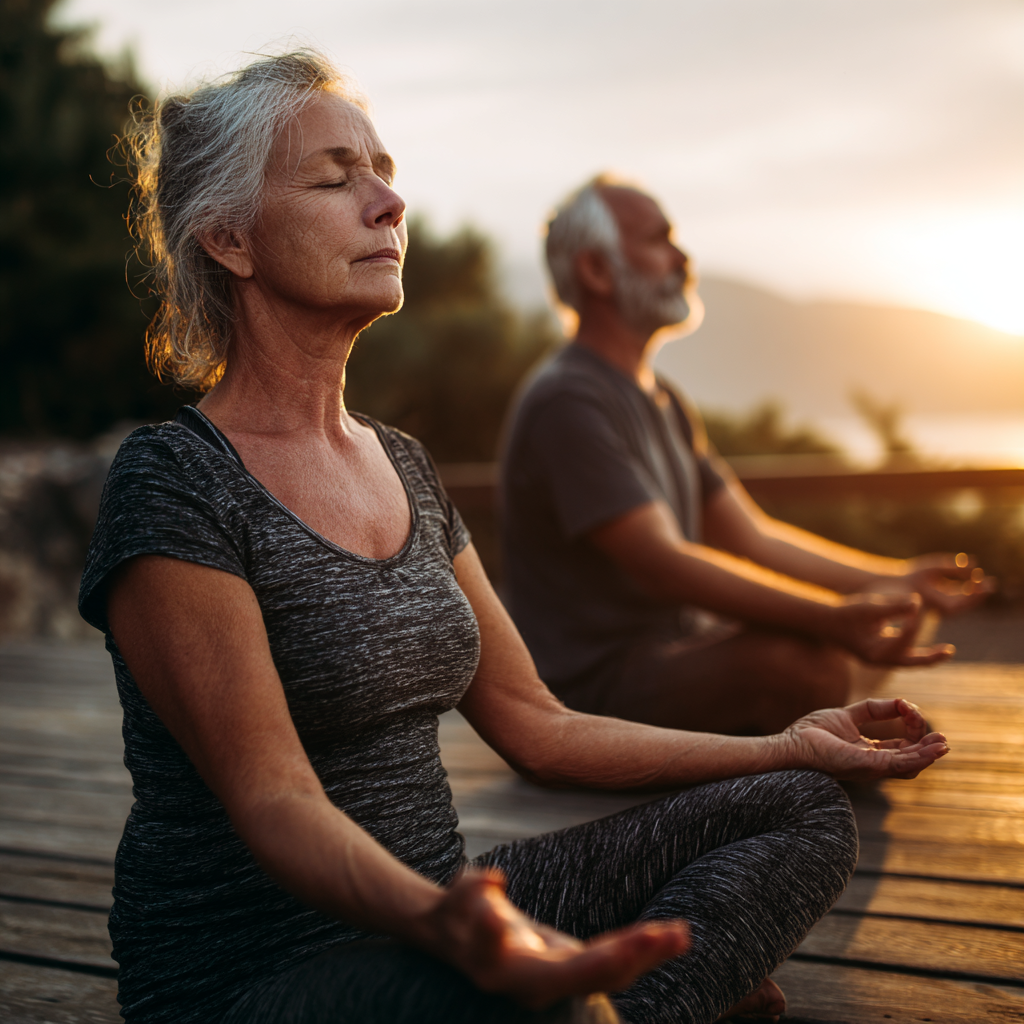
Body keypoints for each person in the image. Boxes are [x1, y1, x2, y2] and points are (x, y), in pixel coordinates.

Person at [80, 52, 949, 1024]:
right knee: (551, 1001)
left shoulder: (403, 464)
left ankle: (617, 1000)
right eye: (334, 180)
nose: (388, 203)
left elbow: (539, 725)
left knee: (801, 804)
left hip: (450, 910)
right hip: (254, 978)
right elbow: (275, 798)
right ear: (230, 240)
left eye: (384, 173)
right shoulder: (175, 480)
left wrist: (782, 746)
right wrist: (462, 933)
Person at [499, 175, 990, 736]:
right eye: (658, 240)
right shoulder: (567, 400)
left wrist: (895, 579)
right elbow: (662, 564)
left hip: (677, 653)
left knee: (899, 611)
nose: (682, 257)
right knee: (800, 666)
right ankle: (835, 718)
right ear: (596, 270)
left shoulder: (664, 399)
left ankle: (832, 719)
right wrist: (831, 620)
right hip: (596, 693)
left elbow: (754, 537)